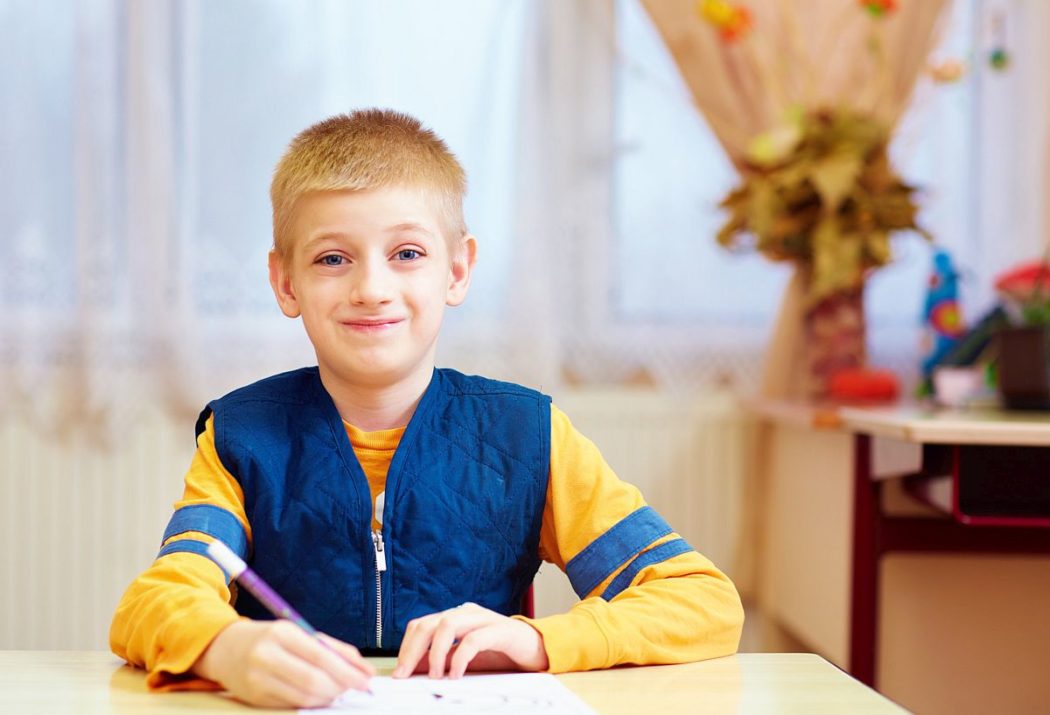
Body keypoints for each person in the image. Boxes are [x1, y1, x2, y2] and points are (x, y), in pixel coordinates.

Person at [110, 109, 744, 709]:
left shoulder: (527, 435)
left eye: (406, 254)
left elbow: (701, 600)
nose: (372, 288)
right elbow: (152, 604)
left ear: (458, 269)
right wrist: (225, 648)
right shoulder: (242, 437)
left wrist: (540, 642)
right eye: (333, 258)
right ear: (285, 282)